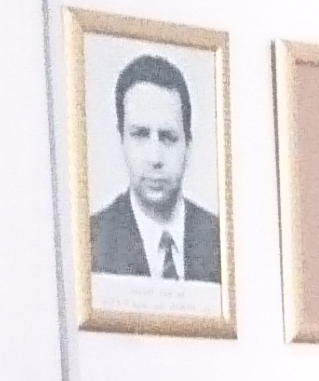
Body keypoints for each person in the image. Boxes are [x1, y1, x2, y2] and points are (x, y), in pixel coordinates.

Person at [86, 51, 220, 283]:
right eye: (140, 135)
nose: (155, 158)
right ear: (121, 140)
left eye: (168, 137)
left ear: (188, 144)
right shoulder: (92, 240)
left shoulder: (221, 239)